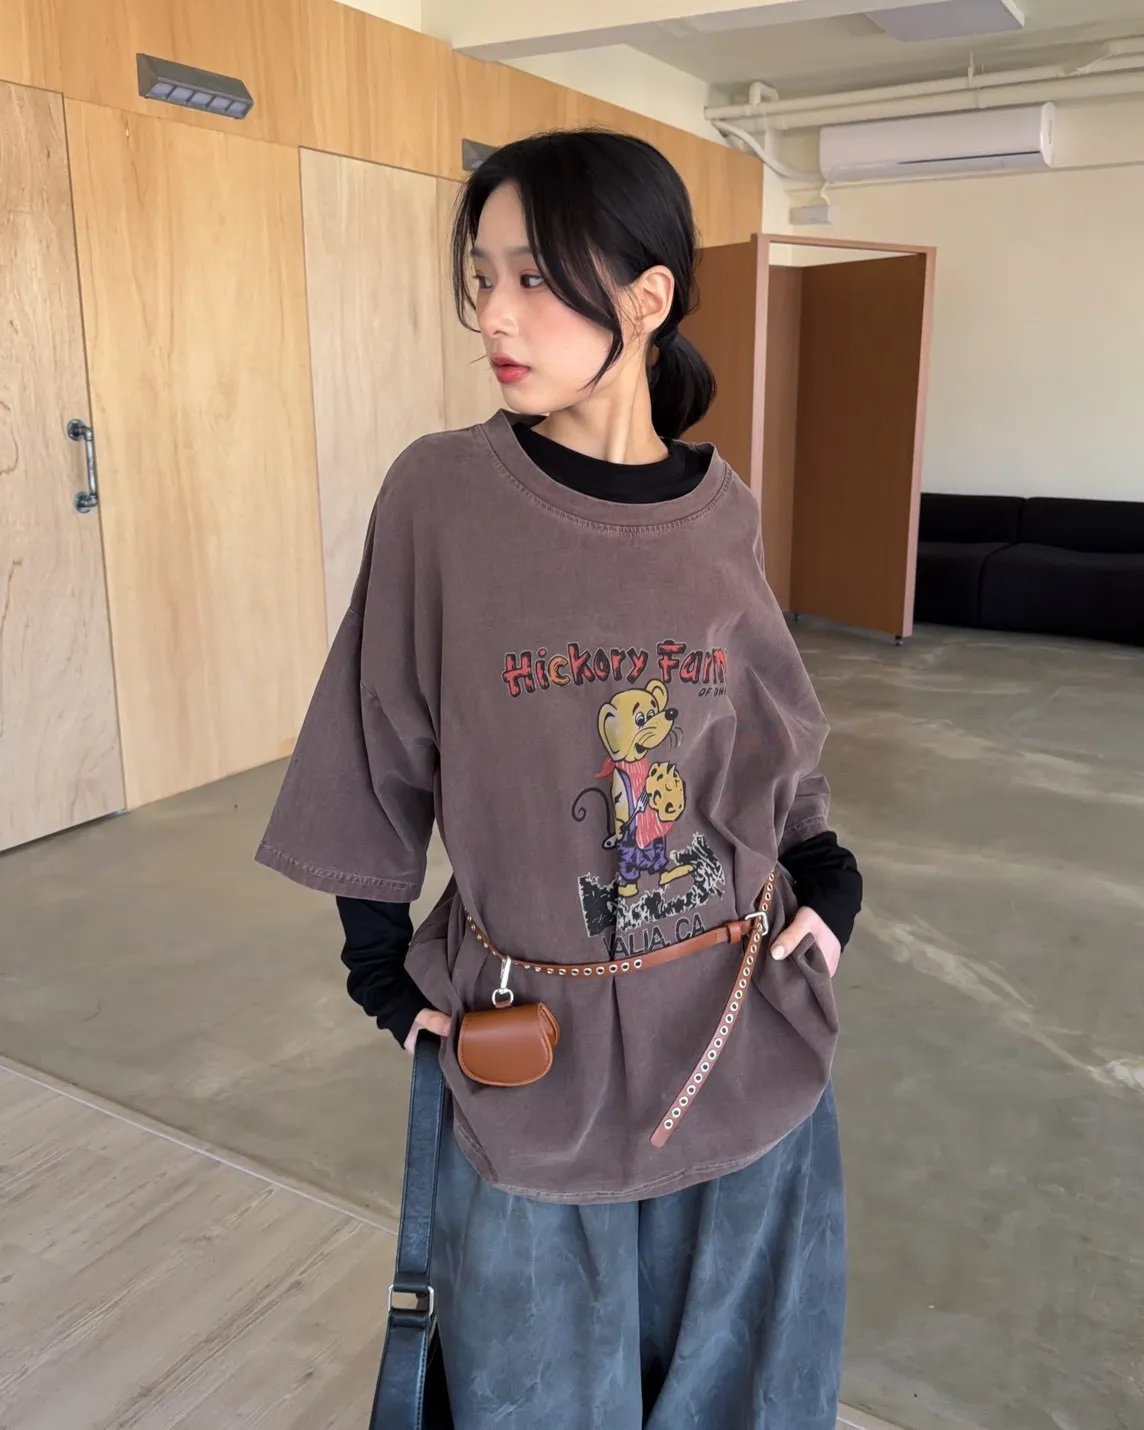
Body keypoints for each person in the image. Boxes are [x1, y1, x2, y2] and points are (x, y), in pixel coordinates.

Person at [257, 128, 862, 1430]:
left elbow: (769, 727)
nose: (495, 313)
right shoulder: (442, 497)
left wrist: (826, 877)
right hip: (532, 1054)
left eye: (534, 276)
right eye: (482, 276)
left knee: (747, 1390)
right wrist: (381, 966)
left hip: (737, 1027)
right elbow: (375, 728)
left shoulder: (723, 509)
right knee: (532, 1394)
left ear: (648, 297)